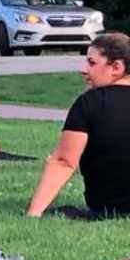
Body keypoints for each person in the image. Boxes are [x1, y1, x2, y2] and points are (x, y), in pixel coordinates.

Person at [26, 32, 130, 220]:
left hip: (108, 208)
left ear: (116, 67)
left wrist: (34, 212)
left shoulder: (90, 102)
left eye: (91, 63)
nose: (83, 70)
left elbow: (64, 161)